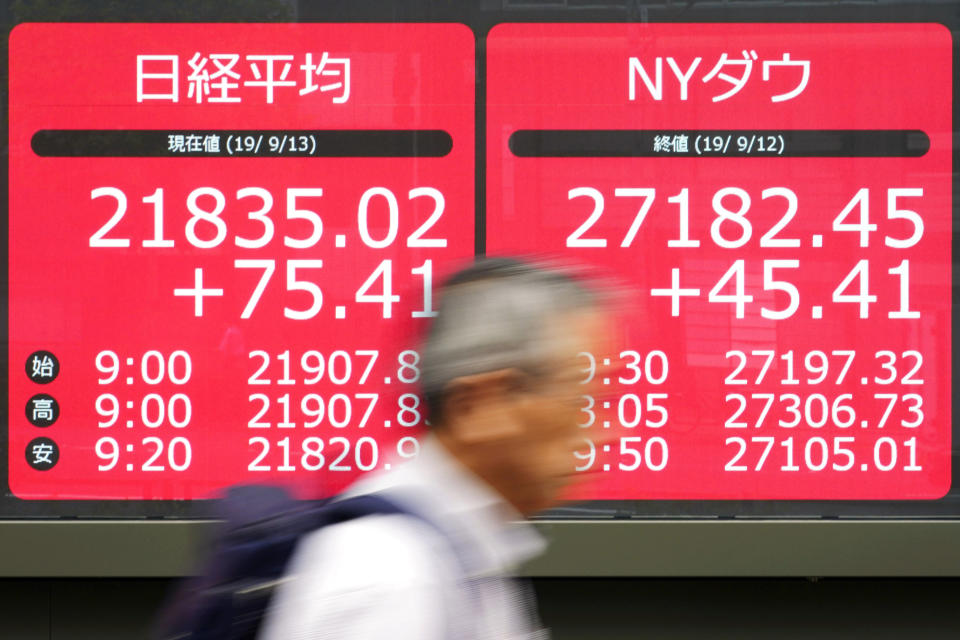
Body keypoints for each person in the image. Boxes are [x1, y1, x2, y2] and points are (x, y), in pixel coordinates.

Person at [259, 257, 608, 640]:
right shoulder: (391, 577)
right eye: (578, 399)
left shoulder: (465, 552)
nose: (609, 434)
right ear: (477, 405)